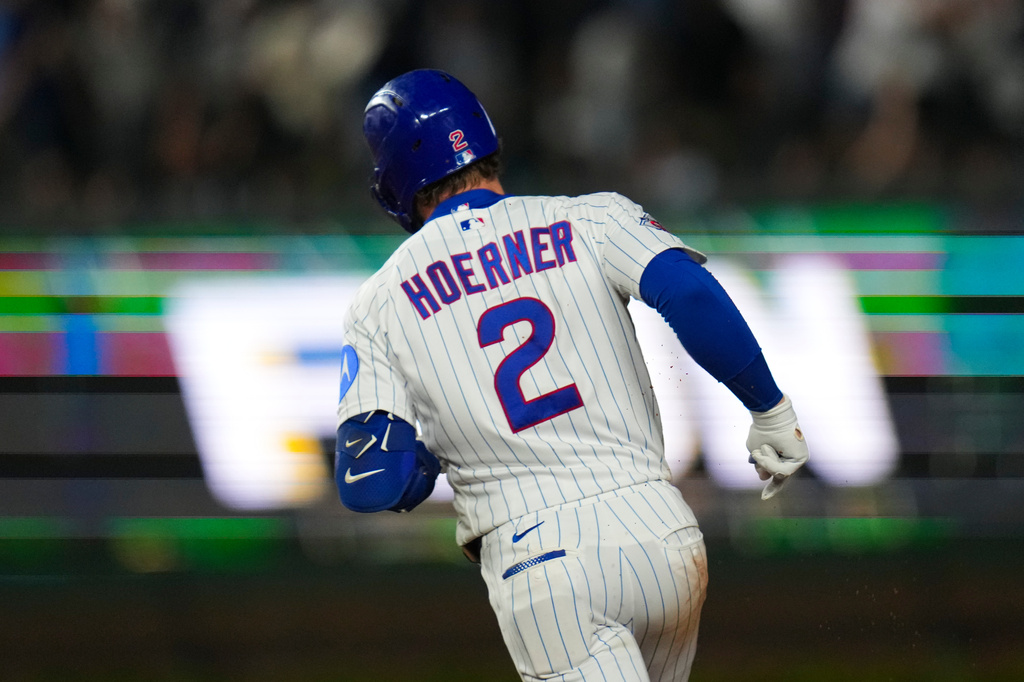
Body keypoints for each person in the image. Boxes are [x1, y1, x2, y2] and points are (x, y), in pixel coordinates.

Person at [333, 69, 809, 682]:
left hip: (542, 562)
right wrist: (769, 408)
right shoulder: (591, 217)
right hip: (661, 530)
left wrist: (423, 463)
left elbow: (372, 479)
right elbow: (689, 294)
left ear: (394, 178)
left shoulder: (379, 302)